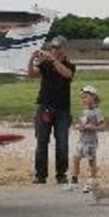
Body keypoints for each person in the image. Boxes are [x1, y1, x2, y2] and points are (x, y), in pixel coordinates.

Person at [28, 36, 76, 184]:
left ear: (64, 48)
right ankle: (40, 175)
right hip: (44, 107)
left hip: (62, 109)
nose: (54, 50)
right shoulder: (46, 64)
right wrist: (31, 59)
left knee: (62, 143)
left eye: (57, 47)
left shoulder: (69, 65)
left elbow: (67, 74)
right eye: (52, 47)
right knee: (41, 142)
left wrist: (53, 60)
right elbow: (31, 74)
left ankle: (61, 174)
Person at [69, 85, 104, 189]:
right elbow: (82, 123)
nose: (83, 100)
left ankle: (94, 180)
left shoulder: (97, 111)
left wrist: (91, 127)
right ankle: (74, 179)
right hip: (82, 140)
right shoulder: (85, 111)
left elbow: (102, 125)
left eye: (85, 97)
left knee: (91, 161)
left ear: (93, 97)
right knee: (76, 158)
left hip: (91, 141)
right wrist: (79, 126)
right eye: (82, 98)